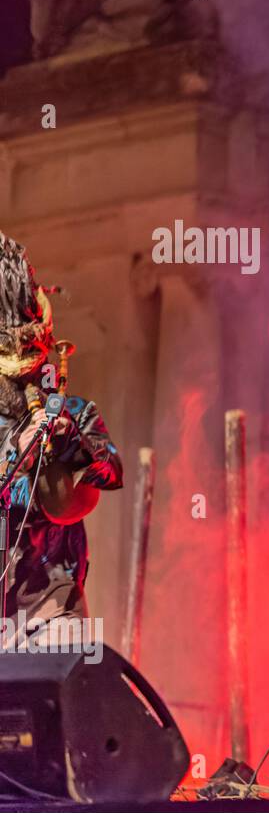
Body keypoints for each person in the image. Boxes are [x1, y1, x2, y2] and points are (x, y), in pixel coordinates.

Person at [0, 232, 123, 650]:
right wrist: (14, 455)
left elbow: (111, 473)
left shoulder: (74, 412)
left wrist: (72, 444)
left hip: (52, 611)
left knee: (53, 703)